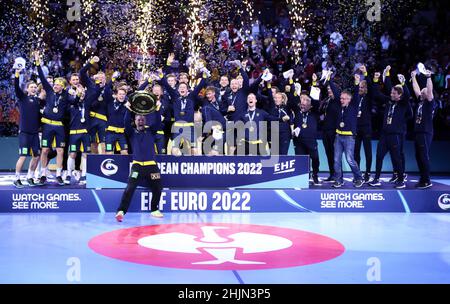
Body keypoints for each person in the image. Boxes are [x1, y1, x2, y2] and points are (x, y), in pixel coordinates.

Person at [115, 103, 163, 222]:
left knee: (157, 188)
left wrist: (157, 109)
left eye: (142, 119)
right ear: (135, 121)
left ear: (145, 121)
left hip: (152, 166)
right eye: (138, 119)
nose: (140, 121)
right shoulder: (131, 133)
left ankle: (154, 209)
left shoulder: (151, 131)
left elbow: (157, 122)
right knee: (129, 188)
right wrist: (128, 109)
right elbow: (126, 122)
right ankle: (121, 211)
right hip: (137, 166)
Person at [369, 67, 412, 189]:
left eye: (394, 93)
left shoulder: (403, 104)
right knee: (379, 157)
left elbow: (407, 95)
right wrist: (380, 79)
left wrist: (403, 83)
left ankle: (400, 180)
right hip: (384, 135)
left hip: (395, 136)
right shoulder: (389, 101)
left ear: (400, 95)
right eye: (392, 93)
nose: (391, 94)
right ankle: (376, 179)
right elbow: (377, 93)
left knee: (396, 158)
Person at [331, 73, 364, 188]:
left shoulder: (354, 105)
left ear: (350, 100)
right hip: (338, 136)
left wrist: (357, 82)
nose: (341, 100)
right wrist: (330, 80)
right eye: (341, 98)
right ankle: (339, 180)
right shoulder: (339, 106)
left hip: (349, 137)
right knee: (336, 160)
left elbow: (356, 94)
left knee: (350, 160)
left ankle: (359, 178)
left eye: (344, 98)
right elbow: (335, 92)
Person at [13, 67, 42, 188]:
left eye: (35, 87)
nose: (34, 89)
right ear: (27, 89)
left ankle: (30, 176)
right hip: (24, 133)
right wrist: (17, 74)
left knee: (36, 156)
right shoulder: (23, 97)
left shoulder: (39, 101)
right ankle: (17, 178)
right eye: (32, 87)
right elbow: (16, 87)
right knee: (23, 156)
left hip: (35, 134)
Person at [411, 69, 435, 189]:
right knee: (418, 156)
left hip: (425, 132)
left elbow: (429, 90)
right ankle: (422, 178)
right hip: (418, 132)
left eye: (423, 91)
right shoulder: (420, 101)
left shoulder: (429, 102)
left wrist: (428, 77)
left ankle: (427, 180)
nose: (421, 92)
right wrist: (413, 77)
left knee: (424, 156)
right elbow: (416, 89)